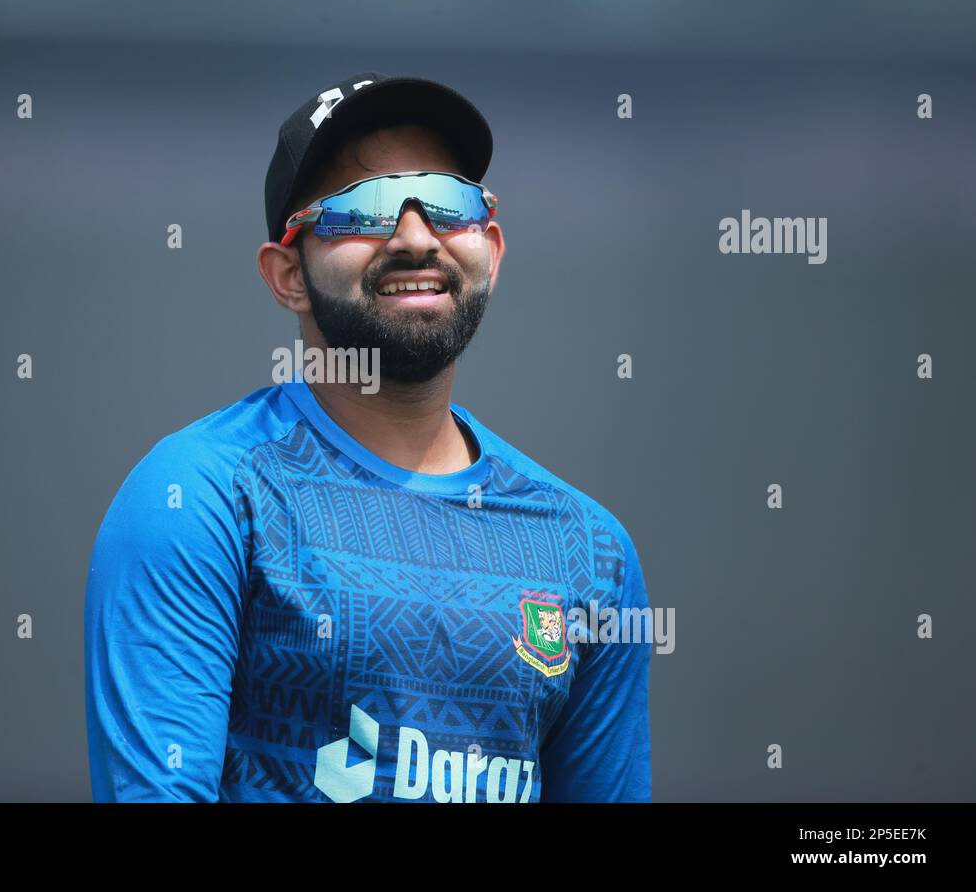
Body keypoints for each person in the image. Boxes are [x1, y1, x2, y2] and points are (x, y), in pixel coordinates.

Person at [84, 71, 651, 802]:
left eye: (448, 203)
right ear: (287, 274)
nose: (415, 237)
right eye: (364, 210)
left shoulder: (589, 549)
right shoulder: (201, 499)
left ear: (493, 247)